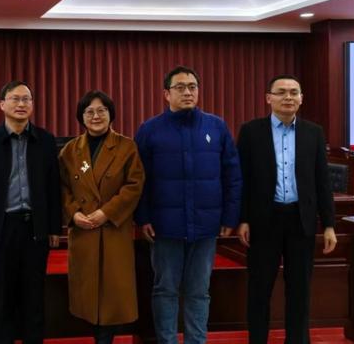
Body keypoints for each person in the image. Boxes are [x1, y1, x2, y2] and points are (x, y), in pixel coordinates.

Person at [135, 65, 242, 344]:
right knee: (165, 290)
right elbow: (138, 180)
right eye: (180, 87)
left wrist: (230, 217)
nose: (187, 92)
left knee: (198, 291)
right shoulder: (149, 130)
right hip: (164, 227)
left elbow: (232, 175)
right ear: (166, 94)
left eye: (192, 87)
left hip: (206, 226)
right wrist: (143, 217)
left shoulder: (216, 127)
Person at [236, 75, 337, 344]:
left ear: (301, 98)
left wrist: (329, 224)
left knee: (299, 290)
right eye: (281, 92)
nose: (288, 97)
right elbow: (242, 179)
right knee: (259, 289)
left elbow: (322, 181)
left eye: (294, 92)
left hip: (300, 220)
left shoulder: (314, 133)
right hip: (263, 220)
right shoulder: (251, 132)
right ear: (268, 98)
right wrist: (243, 219)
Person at [0, 80, 61, 344]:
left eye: (26, 99)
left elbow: (53, 187)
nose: (21, 104)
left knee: (34, 297)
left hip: (35, 229)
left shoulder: (45, 141)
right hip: (1, 229)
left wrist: (54, 227)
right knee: (2, 297)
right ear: (2, 105)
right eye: (15, 99)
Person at [59, 90, 145, 344]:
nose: (96, 116)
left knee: (111, 298)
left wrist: (106, 212)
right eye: (89, 112)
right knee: (88, 298)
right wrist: (74, 213)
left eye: (101, 111)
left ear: (111, 114)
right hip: (84, 232)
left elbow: (134, 185)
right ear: (81, 117)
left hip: (113, 231)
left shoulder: (127, 147)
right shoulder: (70, 151)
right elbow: (61, 187)